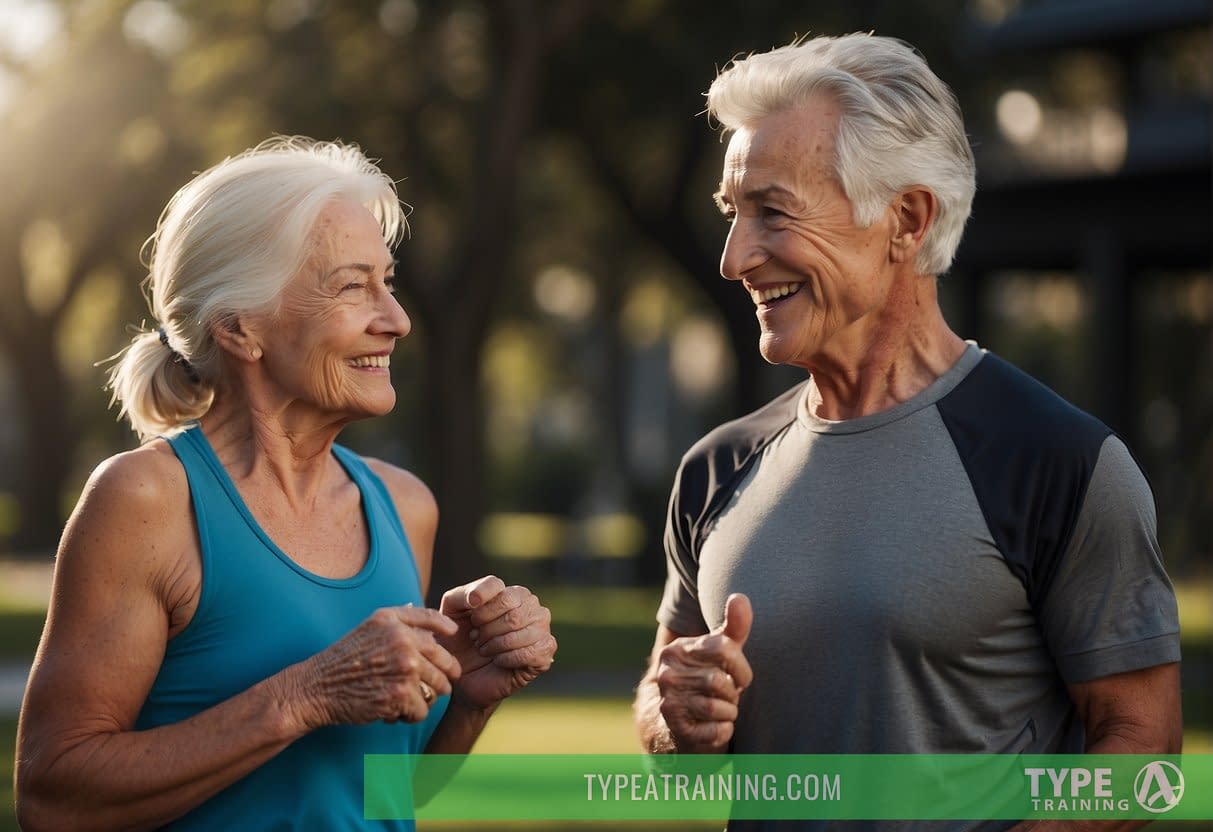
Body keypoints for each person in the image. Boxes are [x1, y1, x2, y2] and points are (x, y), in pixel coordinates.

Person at [633, 33, 1182, 830]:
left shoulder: (1059, 461)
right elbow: (660, 715)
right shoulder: (715, 468)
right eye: (731, 214)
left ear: (906, 219)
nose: (733, 257)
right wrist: (675, 722)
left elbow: (1141, 746)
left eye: (771, 212)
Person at [15, 136, 557, 831]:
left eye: (387, 283)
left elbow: (382, 793)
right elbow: (54, 800)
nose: (395, 319)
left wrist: (471, 697)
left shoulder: (404, 505)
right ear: (241, 328)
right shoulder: (146, 501)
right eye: (352, 285)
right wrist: (305, 696)